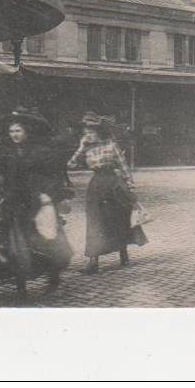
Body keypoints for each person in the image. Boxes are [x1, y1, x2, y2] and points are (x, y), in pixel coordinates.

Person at [0, 107, 73, 298]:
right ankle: (21, 286)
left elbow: (54, 177)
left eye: (18, 131)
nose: (14, 135)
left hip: (38, 204)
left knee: (46, 242)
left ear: (27, 132)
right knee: (16, 247)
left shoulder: (42, 151)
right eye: (12, 131)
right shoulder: (4, 152)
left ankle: (53, 275)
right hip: (13, 205)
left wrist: (47, 194)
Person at [68, 112, 147, 274]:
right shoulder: (86, 147)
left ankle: (123, 251)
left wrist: (130, 186)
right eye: (86, 132)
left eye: (91, 132)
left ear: (98, 132)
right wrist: (81, 147)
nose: (88, 135)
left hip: (113, 184)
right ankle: (93, 261)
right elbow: (71, 164)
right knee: (95, 221)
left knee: (118, 219)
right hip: (96, 186)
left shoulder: (111, 145)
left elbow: (123, 166)